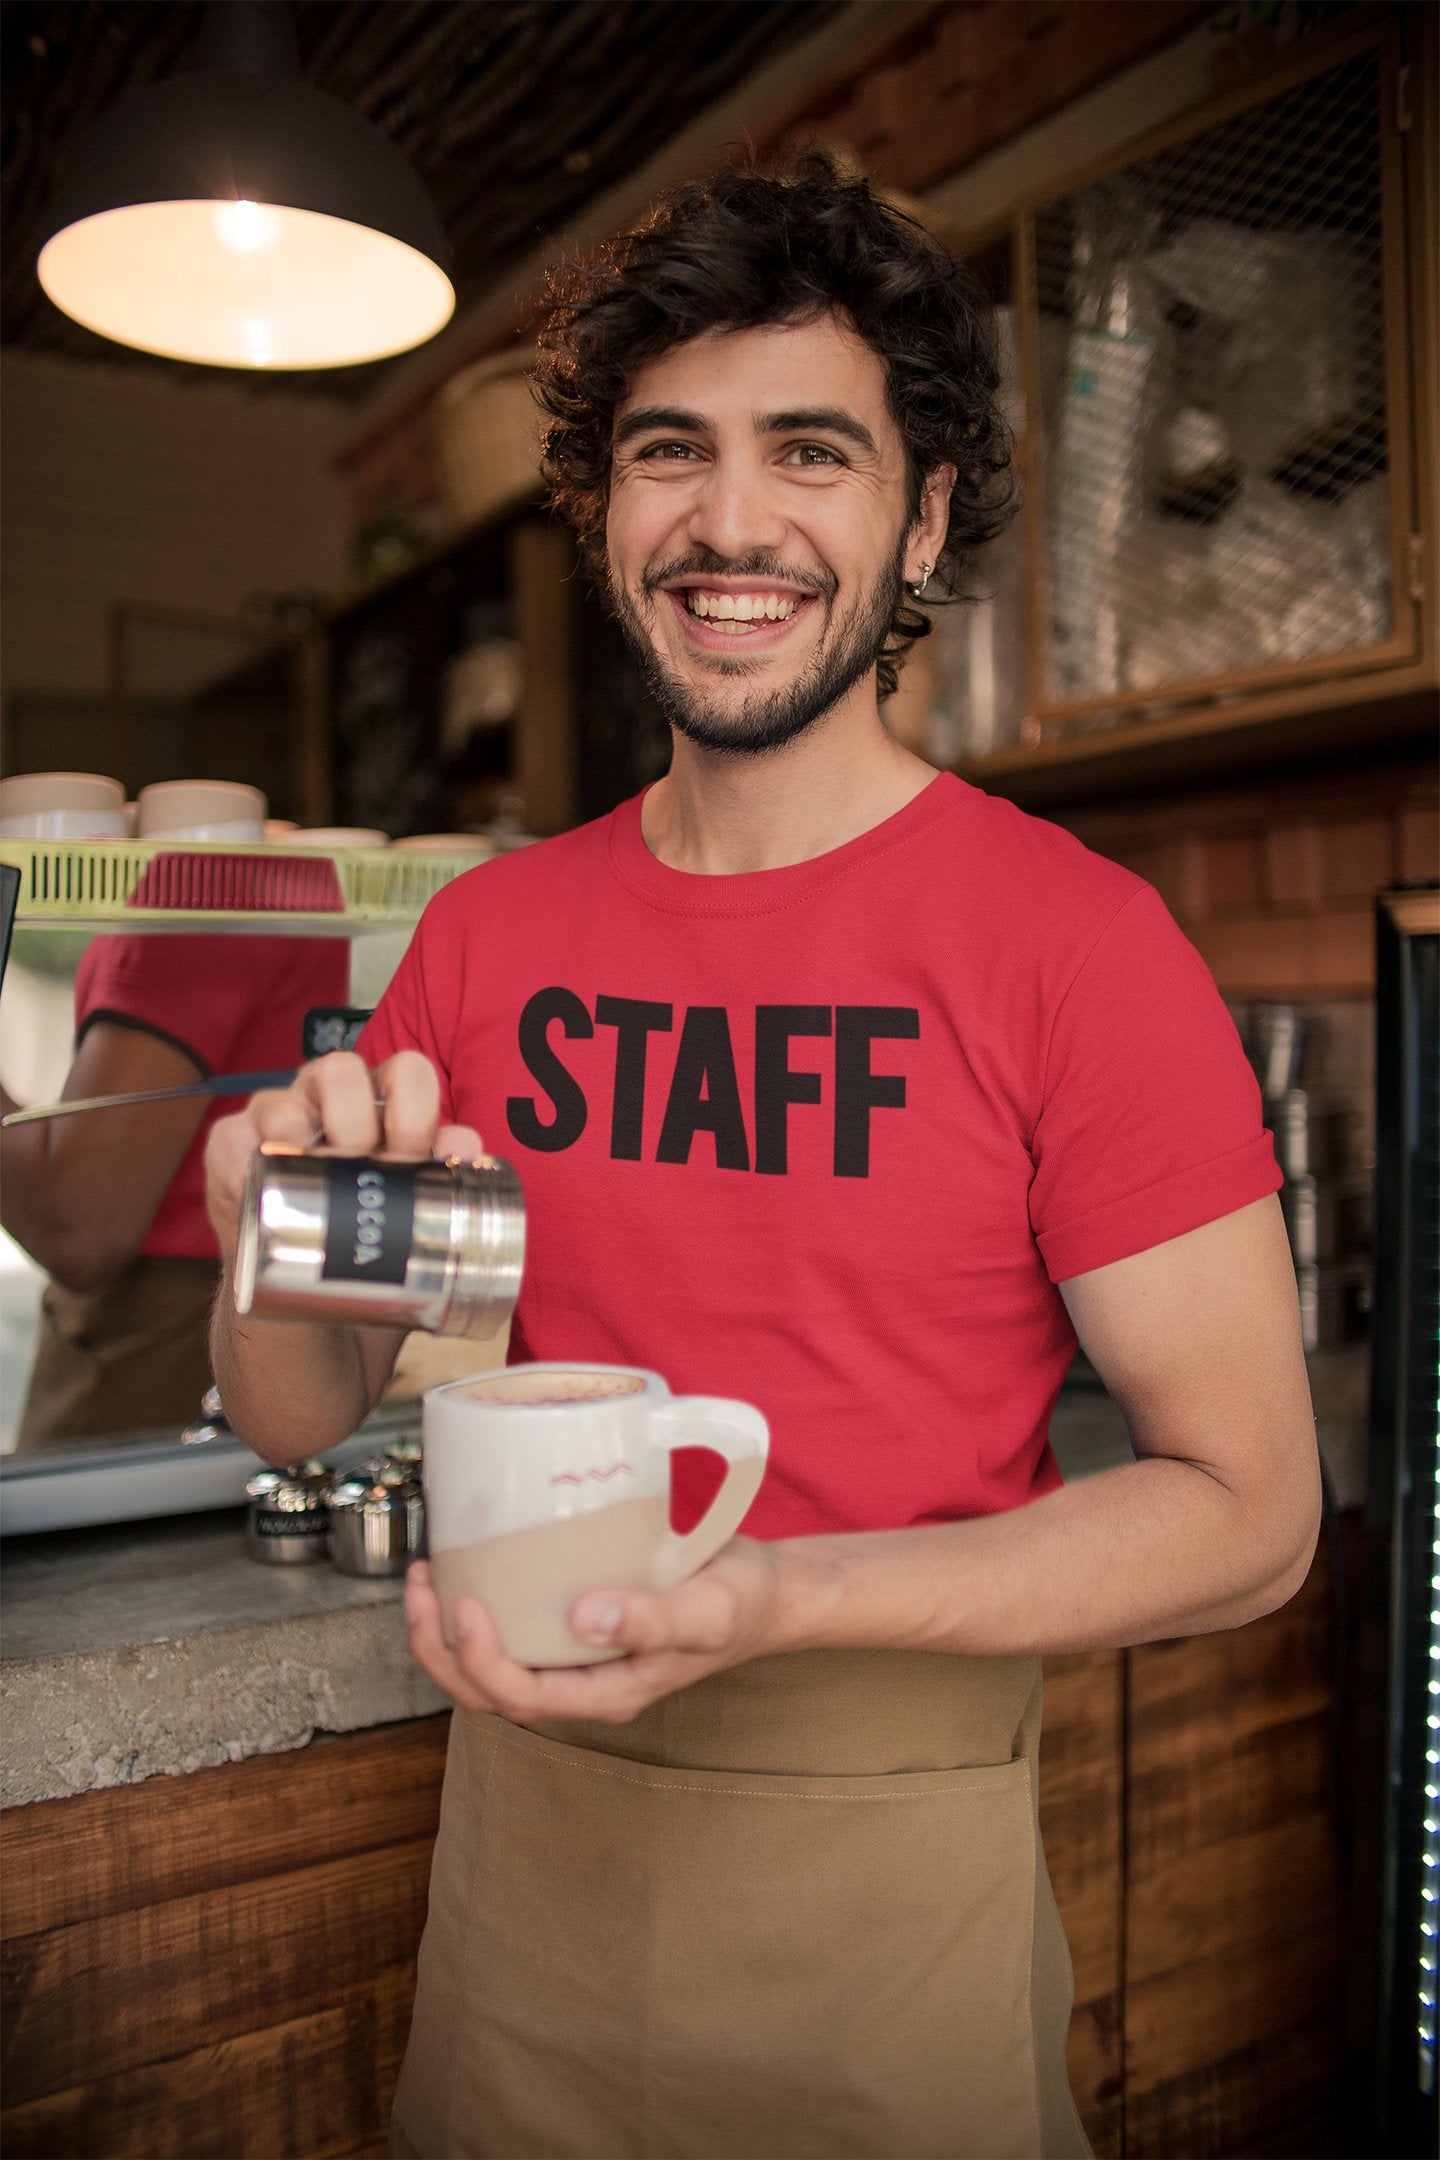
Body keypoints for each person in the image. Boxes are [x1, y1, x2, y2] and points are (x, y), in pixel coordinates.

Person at [204, 157, 1319, 2160]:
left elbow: (1252, 1512)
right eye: (669, 454)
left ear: (927, 518)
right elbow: (306, 1408)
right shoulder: (489, 939)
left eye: (813, 450)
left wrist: (779, 1600)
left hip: (891, 1902)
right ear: (603, 514)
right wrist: (256, 1236)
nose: (733, 523)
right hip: (520, 1891)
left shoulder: (1072, 945)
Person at [2, 931, 346, 1446]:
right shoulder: (291, 892)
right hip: (269, 1314)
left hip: (158, 1347)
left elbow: (78, 1230)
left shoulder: (202, 902)